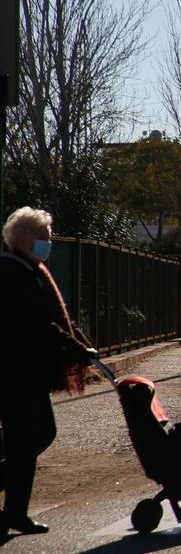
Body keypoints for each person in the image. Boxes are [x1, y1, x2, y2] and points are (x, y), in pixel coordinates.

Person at [0, 207, 96, 539]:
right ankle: (14, 513)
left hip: (28, 372)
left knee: (35, 437)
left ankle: (14, 511)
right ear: (27, 239)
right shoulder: (13, 273)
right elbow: (36, 324)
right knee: (29, 440)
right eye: (45, 238)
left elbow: (59, 320)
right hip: (15, 372)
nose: (49, 243)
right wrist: (74, 347)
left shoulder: (32, 270)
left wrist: (80, 342)